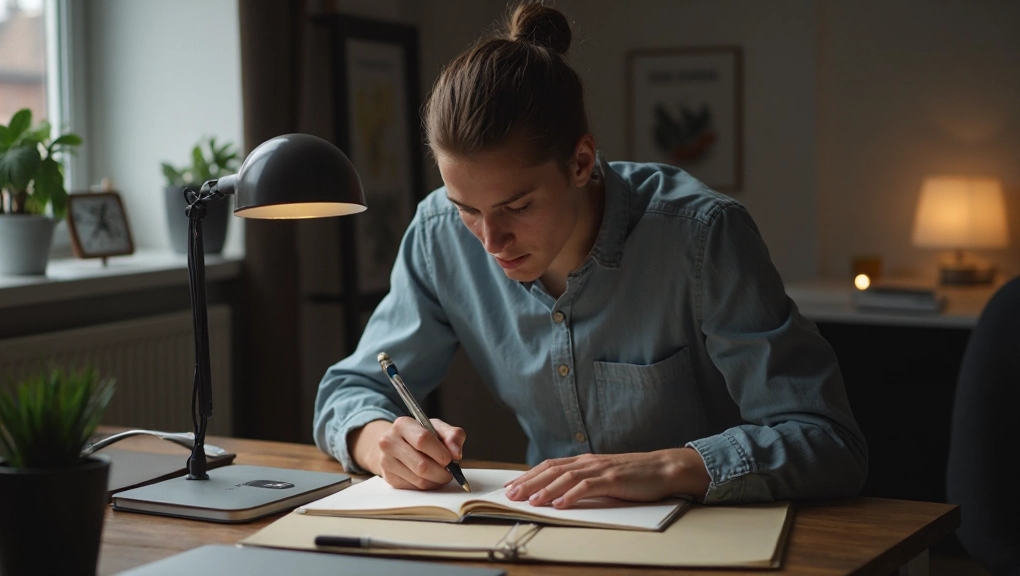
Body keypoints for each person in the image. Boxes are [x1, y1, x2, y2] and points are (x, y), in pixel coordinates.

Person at [314, 2, 867, 508]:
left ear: (581, 162)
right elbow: (347, 392)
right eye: (466, 208)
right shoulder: (438, 235)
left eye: (517, 206)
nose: (490, 241)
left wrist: (669, 467)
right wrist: (382, 443)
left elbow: (828, 441)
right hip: (544, 535)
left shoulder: (702, 237)